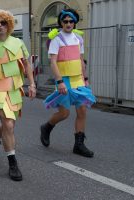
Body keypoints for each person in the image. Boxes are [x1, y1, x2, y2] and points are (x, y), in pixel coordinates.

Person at [0, 9, 36, 181]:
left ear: (9, 25)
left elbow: (27, 65)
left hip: (14, 89)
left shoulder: (18, 43)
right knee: (9, 125)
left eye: (3, 22)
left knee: (9, 123)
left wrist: (32, 84)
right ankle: (13, 163)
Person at [40, 8, 96, 157]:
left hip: (78, 79)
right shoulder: (56, 39)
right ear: (61, 23)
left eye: (71, 21)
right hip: (64, 80)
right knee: (64, 113)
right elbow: (53, 62)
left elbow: (80, 60)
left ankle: (79, 144)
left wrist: (85, 78)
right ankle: (47, 127)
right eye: (65, 21)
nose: (68, 23)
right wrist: (60, 82)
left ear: (75, 22)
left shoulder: (78, 39)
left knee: (82, 110)